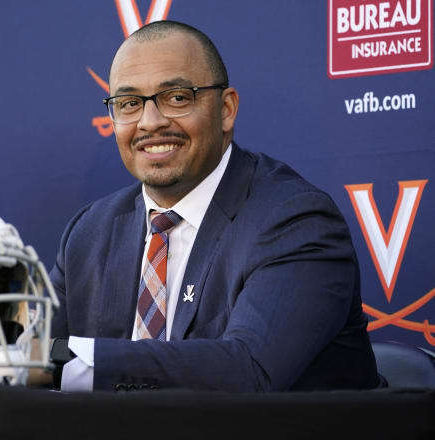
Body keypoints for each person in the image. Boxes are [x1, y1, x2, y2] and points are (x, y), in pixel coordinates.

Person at [49, 20, 381, 392]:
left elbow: (250, 369)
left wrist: (68, 363)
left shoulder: (296, 220)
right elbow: (28, 360)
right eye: (129, 104)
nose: (150, 122)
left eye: (177, 97)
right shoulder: (88, 233)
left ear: (226, 109)